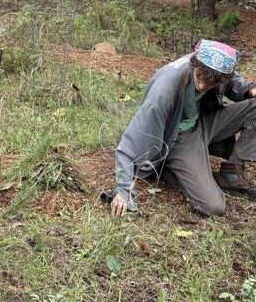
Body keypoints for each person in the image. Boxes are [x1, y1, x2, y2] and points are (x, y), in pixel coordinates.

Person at [108, 39, 256, 217]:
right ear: (195, 64)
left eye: (212, 82)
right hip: (177, 137)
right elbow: (131, 142)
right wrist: (123, 191)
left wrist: (249, 89)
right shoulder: (164, 90)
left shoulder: (213, 67)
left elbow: (231, 78)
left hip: (203, 122)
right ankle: (170, 166)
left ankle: (232, 173)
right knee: (214, 206)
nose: (202, 86)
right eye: (200, 77)